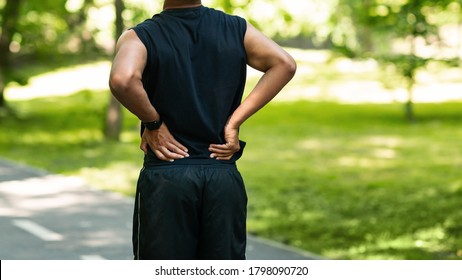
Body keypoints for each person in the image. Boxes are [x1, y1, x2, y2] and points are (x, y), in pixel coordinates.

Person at [109, 0, 296, 260]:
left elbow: (123, 78)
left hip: (168, 175)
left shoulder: (140, 36)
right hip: (221, 175)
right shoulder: (236, 28)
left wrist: (154, 123)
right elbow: (284, 64)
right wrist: (234, 122)